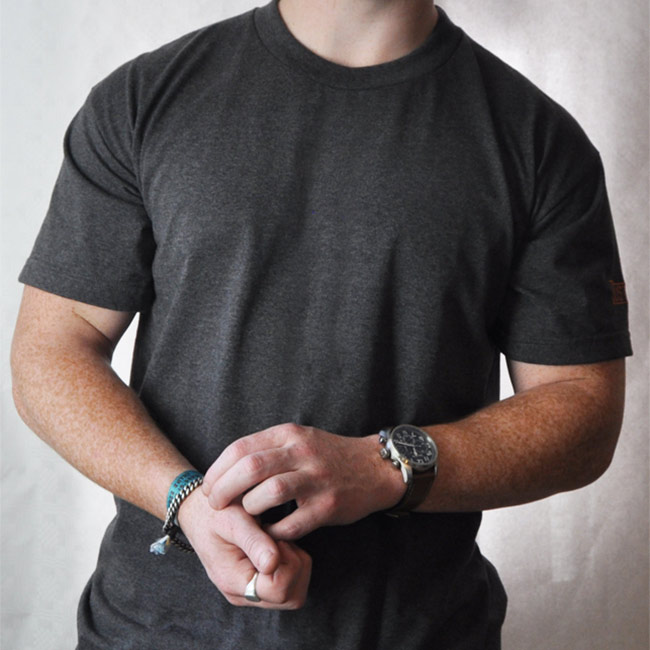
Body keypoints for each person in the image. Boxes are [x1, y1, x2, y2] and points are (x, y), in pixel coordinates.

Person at [10, 0, 632, 648]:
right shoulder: (143, 99)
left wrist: (384, 467)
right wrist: (185, 501)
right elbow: (52, 348)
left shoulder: (539, 141)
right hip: (151, 632)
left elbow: (582, 409)